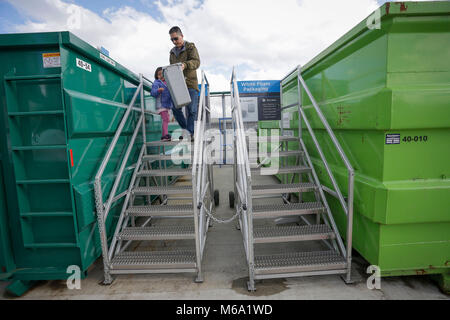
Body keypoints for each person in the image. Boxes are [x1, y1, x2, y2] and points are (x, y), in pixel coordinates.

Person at [168, 26, 200, 141]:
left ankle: (189, 133)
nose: (174, 41)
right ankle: (186, 130)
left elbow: (196, 62)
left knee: (191, 110)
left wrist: (185, 65)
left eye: (176, 38)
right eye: (172, 40)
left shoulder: (190, 47)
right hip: (178, 85)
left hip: (190, 84)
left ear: (182, 36)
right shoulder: (172, 52)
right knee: (176, 109)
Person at [151, 67, 173, 141]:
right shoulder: (156, 83)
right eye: (159, 74)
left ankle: (164, 136)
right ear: (157, 76)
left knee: (166, 120)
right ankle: (165, 135)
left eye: (162, 74)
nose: (161, 75)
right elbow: (153, 93)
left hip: (167, 105)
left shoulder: (167, 82)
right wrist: (158, 90)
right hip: (161, 105)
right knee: (166, 119)